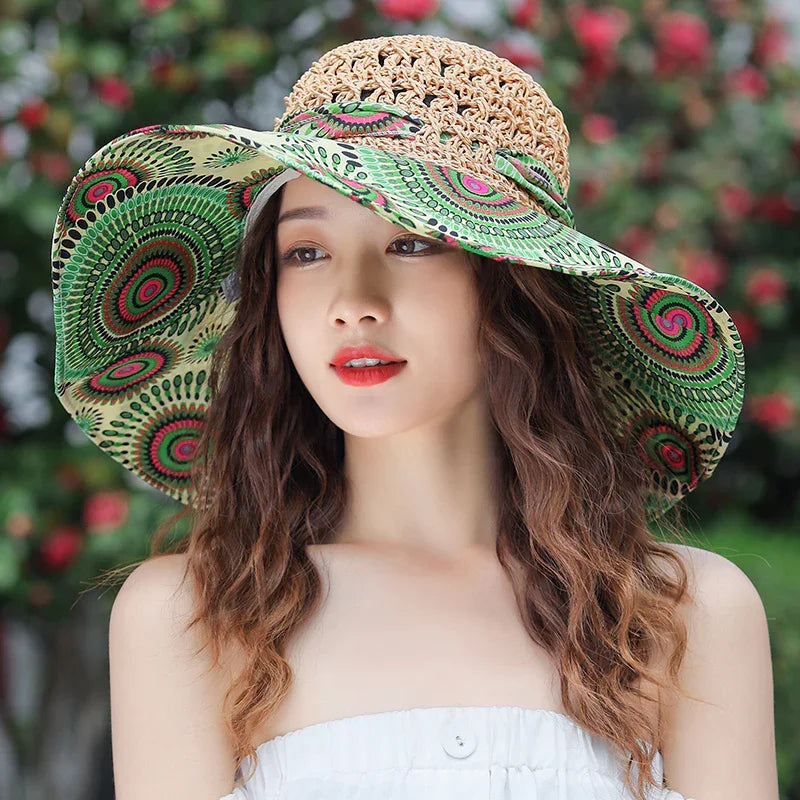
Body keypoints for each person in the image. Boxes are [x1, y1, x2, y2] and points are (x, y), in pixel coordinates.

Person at [50, 34, 777, 800]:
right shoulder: (196, 619)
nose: (353, 302)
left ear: (511, 286)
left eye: (410, 242)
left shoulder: (680, 617)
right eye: (306, 252)